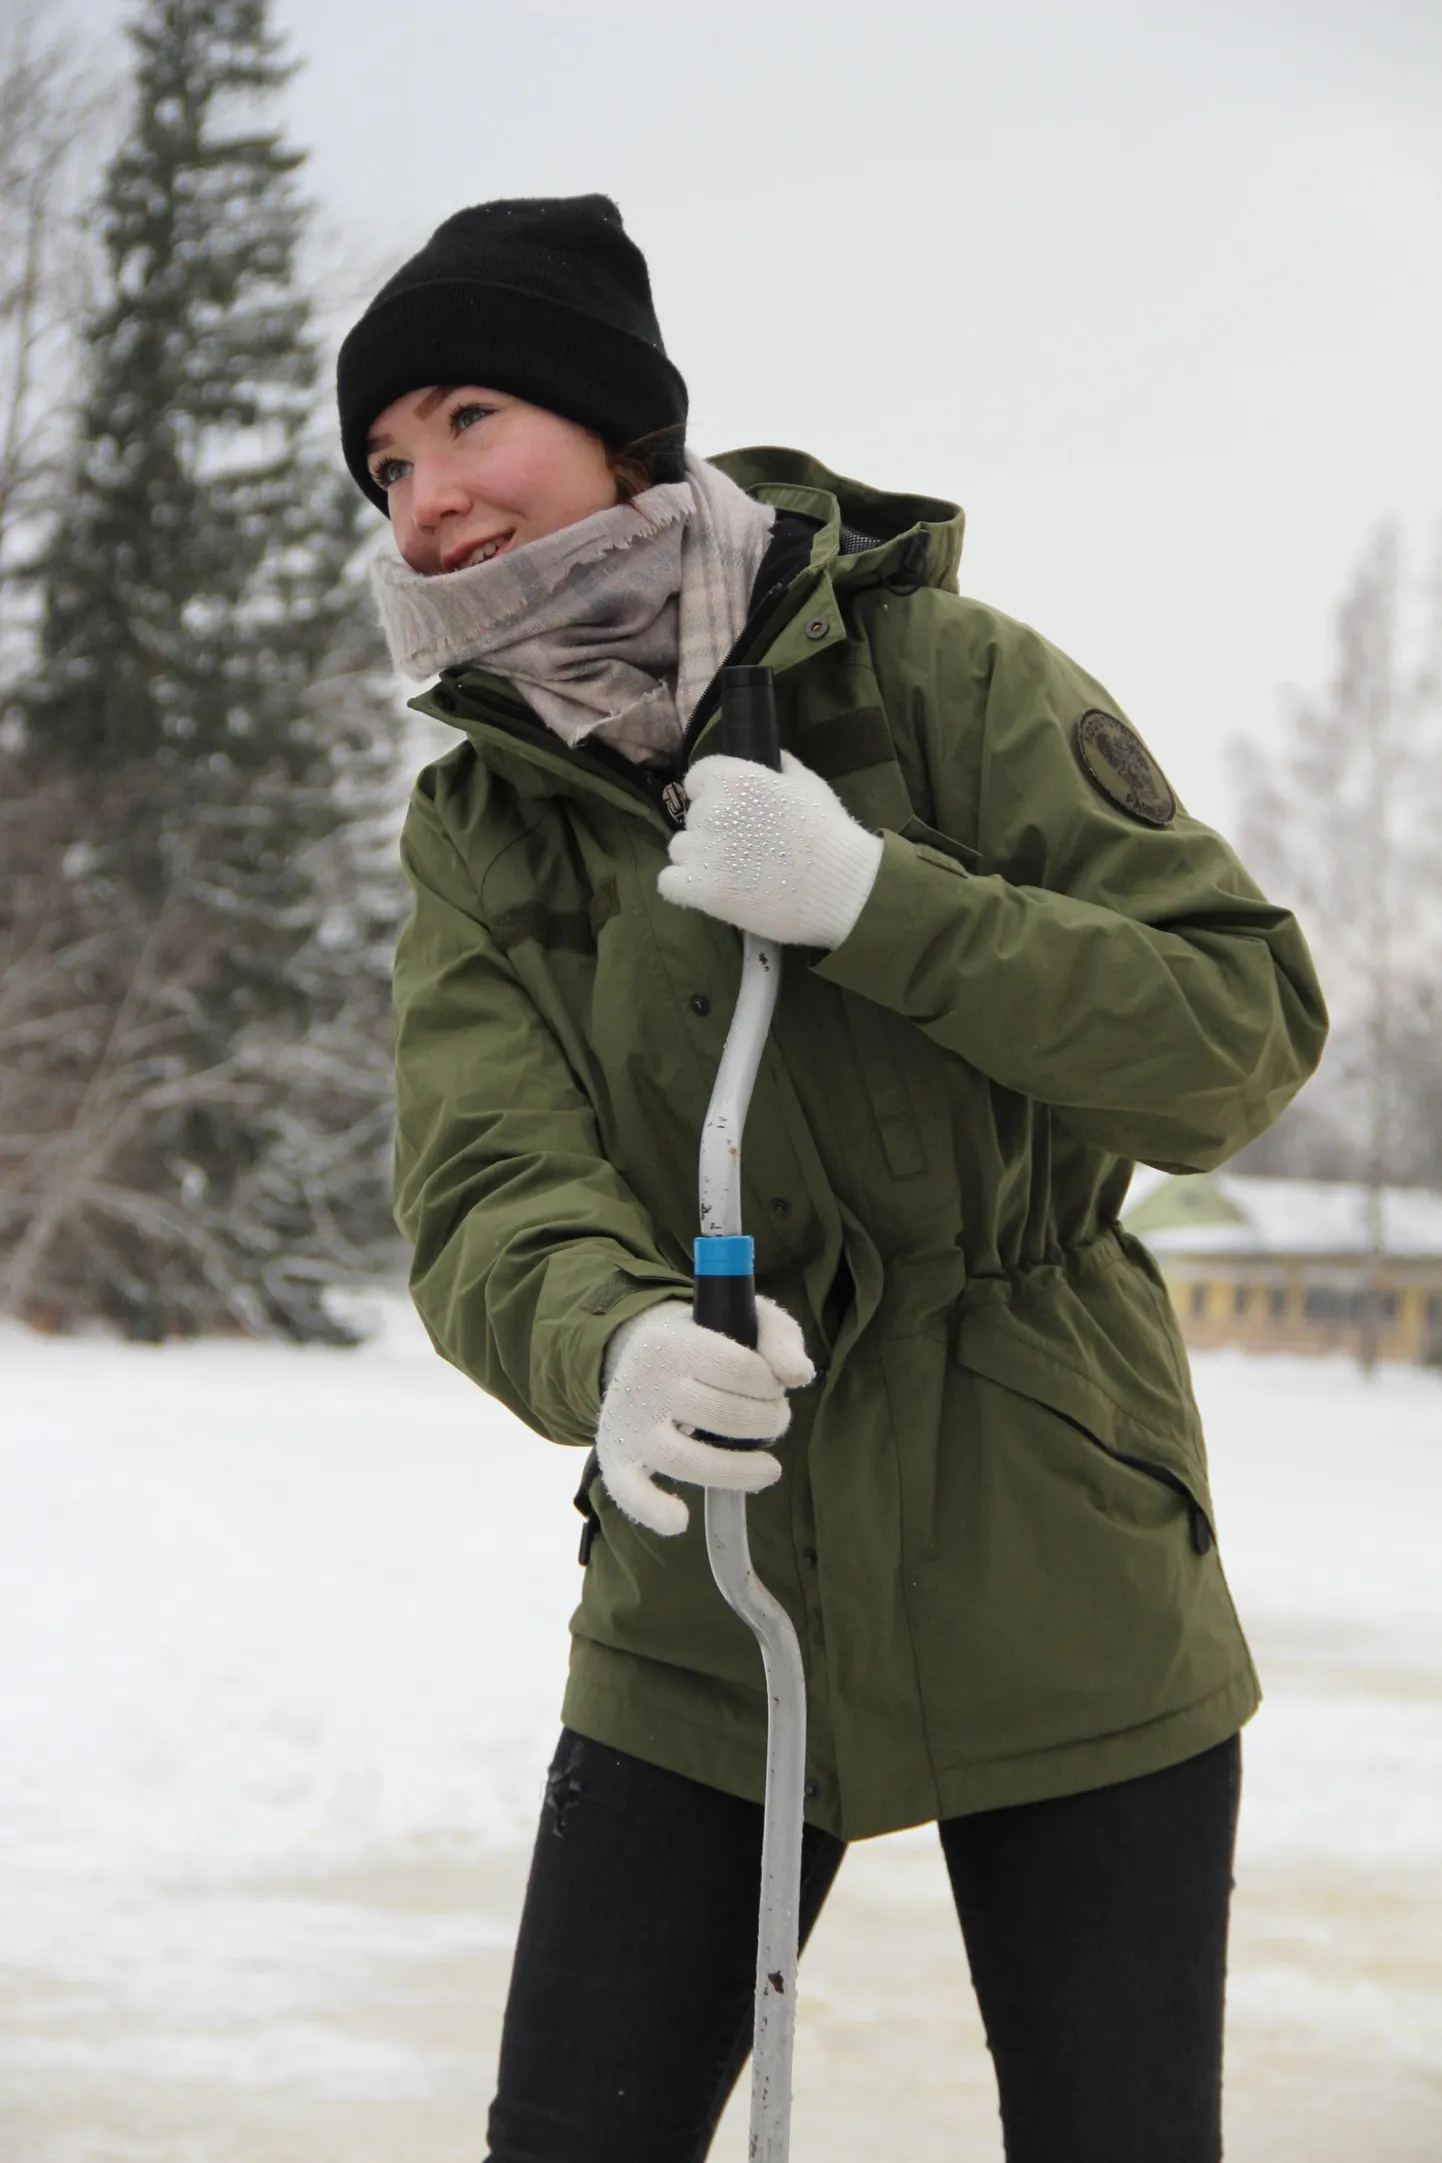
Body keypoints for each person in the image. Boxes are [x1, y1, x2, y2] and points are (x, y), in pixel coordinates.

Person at [335, 194, 1327, 2163]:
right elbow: (482, 1171)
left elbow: (1235, 1027)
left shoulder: (945, 680)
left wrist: (883, 905)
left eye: (466, 420)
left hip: (1059, 1550)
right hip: (707, 1581)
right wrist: (607, 1341)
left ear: (620, 427)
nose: (424, 499)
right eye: (382, 464)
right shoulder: (483, 824)